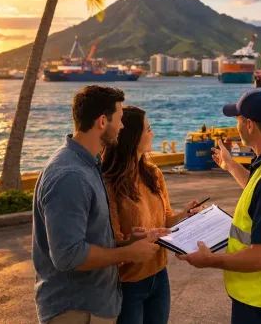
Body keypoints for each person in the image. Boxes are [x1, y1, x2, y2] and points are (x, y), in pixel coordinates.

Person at [177, 89, 261, 324]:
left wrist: (210, 261)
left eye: (238, 120)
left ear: (249, 125)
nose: (237, 125)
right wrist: (231, 166)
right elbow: (259, 189)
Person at [33, 86, 168, 324]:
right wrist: (127, 253)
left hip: (96, 304)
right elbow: (68, 256)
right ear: (102, 122)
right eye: (119, 119)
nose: (123, 127)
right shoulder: (70, 175)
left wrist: (127, 242)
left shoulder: (88, 164)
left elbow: (89, 238)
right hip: (75, 310)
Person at [102, 106, 206, 324]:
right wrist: (133, 243)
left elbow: (166, 220)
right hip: (127, 285)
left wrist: (185, 214)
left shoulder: (153, 173)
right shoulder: (109, 183)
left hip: (159, 277)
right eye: (148, 130)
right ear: (132, 137)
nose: (153, 134)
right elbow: (112, 240)